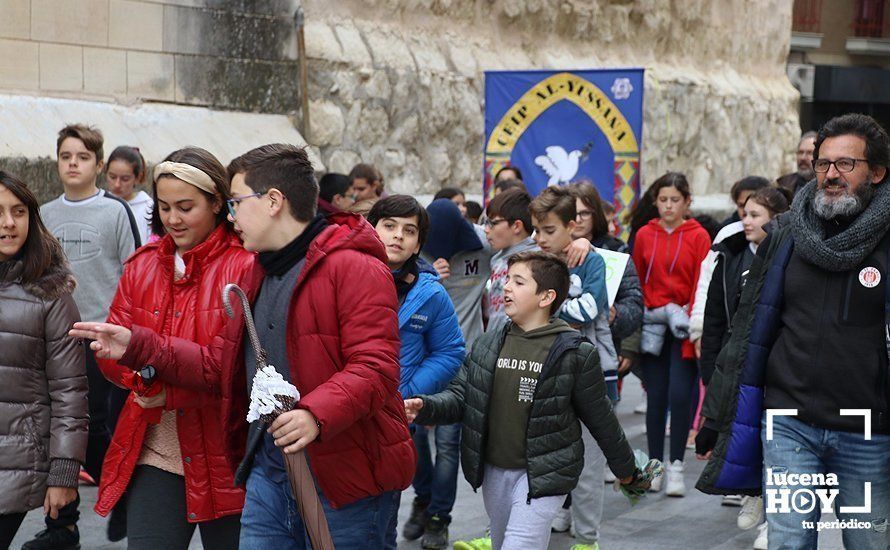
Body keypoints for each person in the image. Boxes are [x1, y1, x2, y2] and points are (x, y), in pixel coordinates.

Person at [72, 144, 415, 549]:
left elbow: (376, 368)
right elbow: (220, 364)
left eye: (235, 202)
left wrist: (315, 415)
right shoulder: (257, 271)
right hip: (268, 473)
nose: (230, 216)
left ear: (273, 201)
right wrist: (138, 344)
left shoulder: (353, 266)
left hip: (345, 476)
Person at [696, 113, 890, 550]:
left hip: (868, 430)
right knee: (788, 542)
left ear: (877, 172)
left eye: (845, 164)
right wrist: (717, 412)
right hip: (788, 422)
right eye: (823, 164)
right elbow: (747, 330)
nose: (830, 175)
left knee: (871, 544)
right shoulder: (784, 237)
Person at [404, 251, 643, 550]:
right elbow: (461, 396)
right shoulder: (488, 344)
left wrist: (627, 470)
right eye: (507, 280)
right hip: (494, 470)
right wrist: (425, 406)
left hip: (546, 473)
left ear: (546, 297)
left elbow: (601, 418)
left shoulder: (575, 353)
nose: (506, 287)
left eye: (518, 282)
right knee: (504, 540)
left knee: (519, 544)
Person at [84, 148, 254, 549]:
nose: (173, 219)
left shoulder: (244, 266)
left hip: (228, 453)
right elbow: (115, 351)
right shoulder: (141, 265)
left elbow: (233, 367)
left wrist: (170, 388)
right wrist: (139, 379)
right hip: (156, 449)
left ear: (217, 203)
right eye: (164, 207)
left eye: (185, 207)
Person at [30, 124, 139, 549]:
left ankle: (123, 493)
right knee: (53, 433)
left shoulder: (115, 212)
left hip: (101, 336)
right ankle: (63, 526)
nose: (72, 164)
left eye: (82, 157)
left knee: (96, 430)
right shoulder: (45, 213)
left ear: (97, 163)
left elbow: (135, 273)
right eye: (65, 156)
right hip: (54, 337)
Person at [368, 196, 465, 550]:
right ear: (371, 227)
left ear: (419, 243)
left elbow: (450, 350)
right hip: (341, 409)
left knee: (382, 516)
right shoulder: (345, 273)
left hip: (394, 416)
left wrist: (408, 390)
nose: (397, 237)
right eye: (389, 226)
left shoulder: (430, 293)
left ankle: (433, 511)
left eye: (409, 231)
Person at [529, 186, 621, 549]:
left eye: (549, 230)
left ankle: (586, 539)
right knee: (536, 462)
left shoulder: (592, 261)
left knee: (589, 468)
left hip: (590, 380)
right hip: (542, 377)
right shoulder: (535, 261)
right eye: (537, 230)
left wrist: (544, 304)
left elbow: (587, 311)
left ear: (572, 226)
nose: (541, 238)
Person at [0, 172, 87, 550]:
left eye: (18, 212)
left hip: (15, 460)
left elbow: (70, 391)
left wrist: (64, 474)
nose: (8, 223)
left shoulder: (51, 294)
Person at [631, 172, 711, 497]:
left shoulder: (698, 235)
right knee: (656, 397)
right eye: (662, 200)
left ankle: (677, 464)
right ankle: (655, 467)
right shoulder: (644, 235)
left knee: (680, 396)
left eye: (674, 200)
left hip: (683, 323)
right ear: (655, 202)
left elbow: (702, 281)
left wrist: (695, 321)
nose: (668, 206)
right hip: (652, 322)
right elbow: (635, 277)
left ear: (687, 202)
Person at [483, 189, 538, 331]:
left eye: (492, 223)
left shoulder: (537, 257)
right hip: (495, 338)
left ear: (516, 226)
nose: (486, 229)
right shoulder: (496, 259)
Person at [105, 145, 152, 244]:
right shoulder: (100, 203)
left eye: (125, 179)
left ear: (138, 177)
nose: (117, 184)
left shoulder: (148, 208)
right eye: (112, 177)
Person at [776, 130, 817, 197]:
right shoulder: (783, 184)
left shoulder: (827, 186)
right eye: (800, 152)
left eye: (809, 153)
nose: (803, 158)